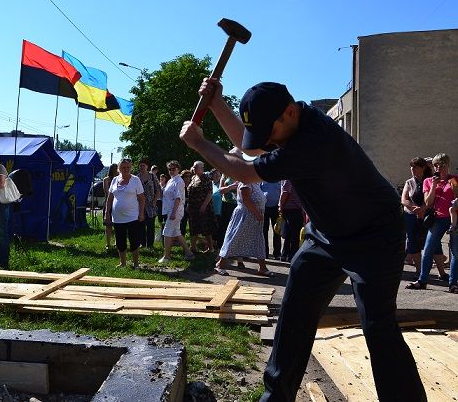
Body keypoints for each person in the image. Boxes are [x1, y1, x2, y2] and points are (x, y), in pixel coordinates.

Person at [179, 80, 425, 401]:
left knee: (378, 326)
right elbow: (250, 145)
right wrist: (216, 103)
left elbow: (243, 170)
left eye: (270, 131)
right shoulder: (288, 126)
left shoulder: (313, 141)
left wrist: (200, 143)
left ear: (290, 112)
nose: (267, 140)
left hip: (374, 236)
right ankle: (276, 397)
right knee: (295, 311)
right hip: (327, 234)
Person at [407, 153, 456, 290]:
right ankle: (422, 280)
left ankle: (453, 283)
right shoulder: (428, 181)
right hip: (438, 219)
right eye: (435, 165)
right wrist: (434, 185)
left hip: (454, 218)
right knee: (428, 250)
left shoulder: (454, 180)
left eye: (442, 164)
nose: (438, 167)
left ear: (448, 165)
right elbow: (428, 203)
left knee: (455, 252)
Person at [216, 180, 273, 277]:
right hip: (244, 216)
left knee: (258, 239)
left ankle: (262, 267)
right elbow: (246, 200)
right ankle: (220, 264)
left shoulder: (255, 183)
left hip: (254, 218)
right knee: (234, 238)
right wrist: (257, 213)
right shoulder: (246, 184)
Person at [105, 158, 145, 268]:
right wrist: (107, 213)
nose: (126, 169)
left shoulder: (136, 180)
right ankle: (122, 263)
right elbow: (109, 199)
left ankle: (136, 263)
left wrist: (141, 213)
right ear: (119, 169)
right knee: (120, 241)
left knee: (134, 241)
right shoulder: (114, 180)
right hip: (117, 217)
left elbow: (142, 199)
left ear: (131, 168)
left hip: (132, 216)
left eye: (128, 167)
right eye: (123, 167)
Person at [401, 157, 432, 278]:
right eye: (411, 167)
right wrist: (415, 208)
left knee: (429, 242)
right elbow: (404, 199)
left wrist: (423, 209)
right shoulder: (409, 182)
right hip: (411, 216)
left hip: (427, 216)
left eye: (415, 167)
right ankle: (419, 270)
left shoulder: (429, 180)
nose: (412, 169)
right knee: (413, 241)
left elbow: (432, 199)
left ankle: (438, 272)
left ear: (423, 168)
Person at [159, 160, 194, 264]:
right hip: (171, 210)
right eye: (169, 169)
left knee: (167, 232)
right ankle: (189, 253)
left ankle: (166, 256)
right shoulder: (171, 180)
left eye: (173, 169)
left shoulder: (179, 181)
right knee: (176, 232)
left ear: (178, 169)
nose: (171, 171)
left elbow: (178, 198)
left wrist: (173, 213)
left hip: (175, 210)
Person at [187, 161, 216, 253]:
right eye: (194, 167)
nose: (194, 168)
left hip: (204, 207)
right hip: (193, 207)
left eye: (196, 167)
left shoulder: (206, 178)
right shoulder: (193, 178)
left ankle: (211, 248)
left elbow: (209, 193)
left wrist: (204, 205)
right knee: (194, 227)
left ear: (202, 168)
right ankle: (193, 247)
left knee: (206, 228)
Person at [279, 179, 304, 262]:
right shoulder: (289, 180)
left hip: (294, 210)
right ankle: (291, 256)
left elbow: (284, 194)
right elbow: (285, 194)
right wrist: (281, 208)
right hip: (292, 210)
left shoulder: (289, 179)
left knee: (290, 234)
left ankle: (285, 255)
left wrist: (281, 207)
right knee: (294, 235)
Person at [137, 159, 160, 249]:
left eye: (143, 165)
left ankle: (150, 245)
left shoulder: (152, 176)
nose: (142, 167)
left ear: (147, 166)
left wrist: (154, 201)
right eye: (140, 165)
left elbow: (158, 189)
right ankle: (142, 243)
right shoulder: (136, 177)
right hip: (140, 205)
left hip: (151, 205)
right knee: (141, 225)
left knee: (150, 226)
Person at [260, 180, 282, 259]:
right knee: (264, 231)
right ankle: (264, 253)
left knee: (277, 231)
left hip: (276, 208)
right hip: (264, 208)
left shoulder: (279, 180)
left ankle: (277, 253)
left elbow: (282, 192)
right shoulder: (262, 180)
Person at [103, 164, 118, 251]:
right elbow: (106, 191)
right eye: (116, 169)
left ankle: (116, 243)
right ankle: (108, 243)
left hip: (117, 204)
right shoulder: (106, 179)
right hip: (109, 203)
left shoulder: (119, 179)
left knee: (117, 225)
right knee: (108, 225)